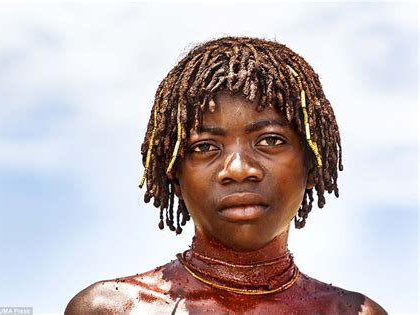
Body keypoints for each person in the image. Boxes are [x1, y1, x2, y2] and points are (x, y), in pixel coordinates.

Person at [65, 37, 387, 314]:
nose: (238, 169)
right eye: (205, 147)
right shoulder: (112, 310)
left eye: (270, 140)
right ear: (174, 175)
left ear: (313, 164)